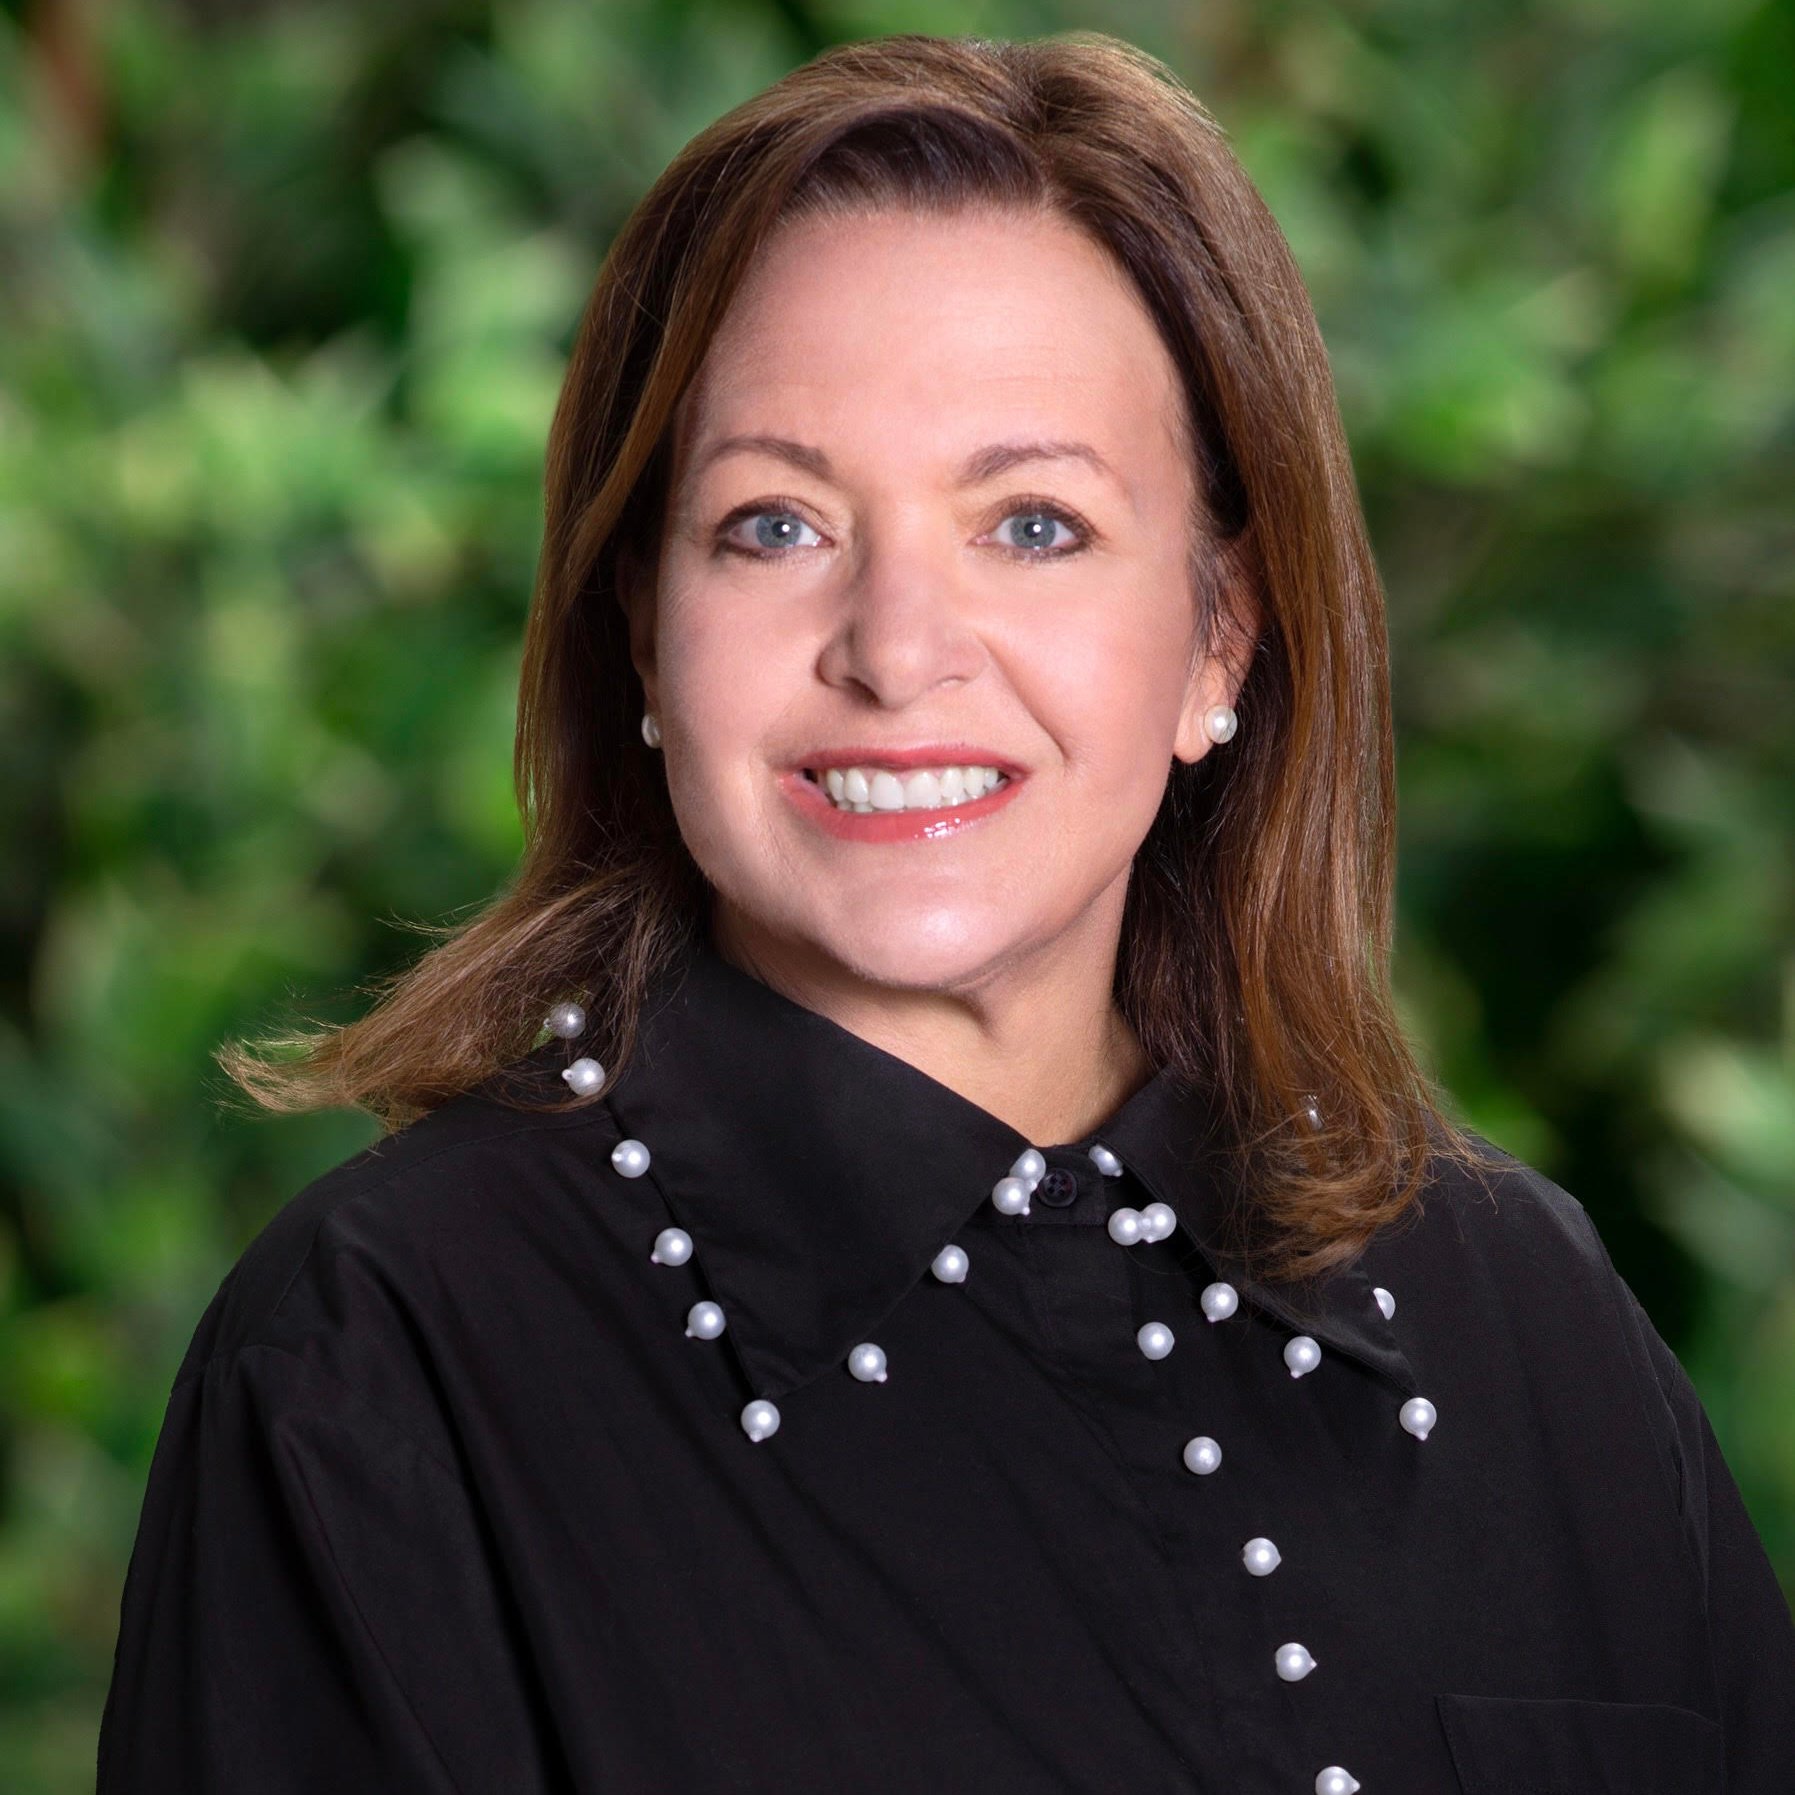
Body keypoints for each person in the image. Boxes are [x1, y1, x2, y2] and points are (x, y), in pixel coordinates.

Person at [95, 29, 1795, 1795]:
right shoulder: (381, 1356)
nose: (897, 652)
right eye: (774, 526)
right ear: (643, 632)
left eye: (1034, 525)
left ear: (1220, 637)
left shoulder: (1528, 1319)